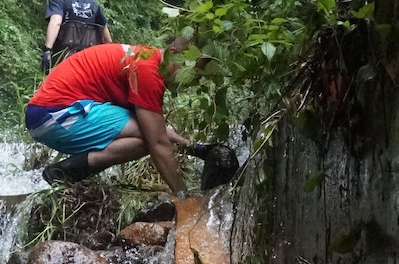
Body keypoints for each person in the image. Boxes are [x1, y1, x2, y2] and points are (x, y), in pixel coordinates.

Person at [25, 40, 239, 191]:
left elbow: (152, 127)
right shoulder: (148, 73)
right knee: (147, 139)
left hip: (49, 115)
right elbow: (157, 141)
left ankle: (68, 171)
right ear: (174, 53)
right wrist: (184, 196)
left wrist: (196, 149)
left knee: (147, 132)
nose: (194, 80)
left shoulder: (146, 58)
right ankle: (65, 172)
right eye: (193, 70)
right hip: (54, 114)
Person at [41, 0, 111, 71]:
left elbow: (56, 22)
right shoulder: (92, 3)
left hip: (64, 58)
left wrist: (47, 49)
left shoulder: (59, 0)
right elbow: (105, 32)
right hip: (89, 59)